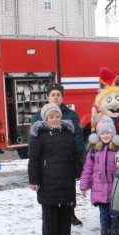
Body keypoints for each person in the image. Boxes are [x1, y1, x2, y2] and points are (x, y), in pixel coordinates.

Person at [31, 83, 85, 227]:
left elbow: (78, 138)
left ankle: (70, 214)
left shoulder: (71, 115)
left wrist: (77, 158)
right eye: (53, 94)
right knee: (50, 190)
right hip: (48, 164)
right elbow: (34, 140)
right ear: (47, 97)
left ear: (62, 97)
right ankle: (51, 216)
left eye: (58, 94)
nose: (56, 97)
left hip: (67, 161)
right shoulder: (38, 115)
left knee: (69, 189)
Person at [28, 103, 81, 235]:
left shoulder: (67, 132)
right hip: (47, 178)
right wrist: (34, 180)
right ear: (45, 118)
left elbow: (75, 154)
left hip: (66, 176)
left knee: (66, 206)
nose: (55, 119)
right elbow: (33, 160)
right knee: (50, 208)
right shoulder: (39, 136)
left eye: (57, 116)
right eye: (51, 117)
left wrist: (78, 171)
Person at [80, 117, 119, 235]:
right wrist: (84, 186)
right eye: (103, 133)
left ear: (113, 134)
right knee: (104, 214)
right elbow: (88, 169)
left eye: (108, 133)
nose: (105, 136)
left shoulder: (118, 149)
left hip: (115, 188)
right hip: (99, 189)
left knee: (115, 214)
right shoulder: (94, 150)